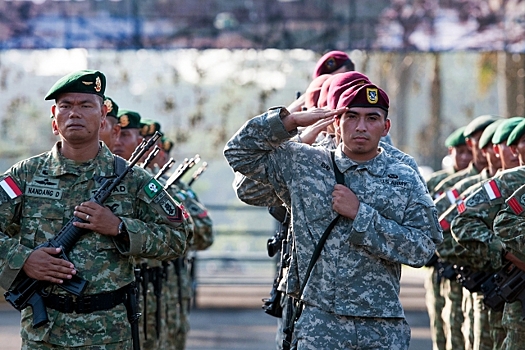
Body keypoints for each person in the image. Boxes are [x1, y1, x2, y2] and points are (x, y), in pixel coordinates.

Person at [224, 82, 442, 349]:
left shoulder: (403, 176)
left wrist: (361, 215)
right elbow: (238, 153)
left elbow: (422, 249)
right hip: (320, 324)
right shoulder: (304, 163)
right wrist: (290, 120)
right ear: (335, 123)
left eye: (372, 118)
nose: (361, 126)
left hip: (382, 327)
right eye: (351, 116)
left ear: (385, 128)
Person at [0, 69, 191, 349]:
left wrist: (120, 228)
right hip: (43, 334)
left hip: (109, 334)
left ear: (103, 117)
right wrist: (24, 259)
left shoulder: (134, 180)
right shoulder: (26, 175)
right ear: (54, 119)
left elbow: (178, 236)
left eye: (85, 105)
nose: (74, 113)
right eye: (66, 106)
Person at [425, 126, 472, 199]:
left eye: (470, 152)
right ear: (450, 151)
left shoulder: (481, 180)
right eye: (460, 152)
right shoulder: (434, 182)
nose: (465, 157)